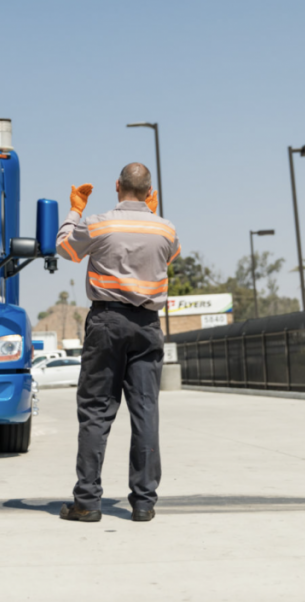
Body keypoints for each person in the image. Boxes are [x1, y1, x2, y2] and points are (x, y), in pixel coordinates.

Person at [54, 162, 181, 523]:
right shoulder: (166, 229)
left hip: (107, 322)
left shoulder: (98, 223)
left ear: (117, 186)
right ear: (149, 192)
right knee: (145, 411)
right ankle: (143, 503)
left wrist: (75, 209)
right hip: (147, 325)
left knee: (96, 410)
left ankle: (87, 502)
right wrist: (149, 219)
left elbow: (66, 248)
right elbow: (169, 255)